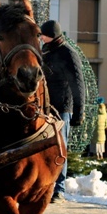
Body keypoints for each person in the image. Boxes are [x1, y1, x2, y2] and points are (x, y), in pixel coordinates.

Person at [41, 20, 85, 203]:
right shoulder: (45, 51)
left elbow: (78, 84)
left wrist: (78, 112)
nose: (41, 37)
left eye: (43, 34)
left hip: (62, 107)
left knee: (60, 148)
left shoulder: (68, 53)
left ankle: (59, 189)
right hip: (44, 106)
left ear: (52, 35)